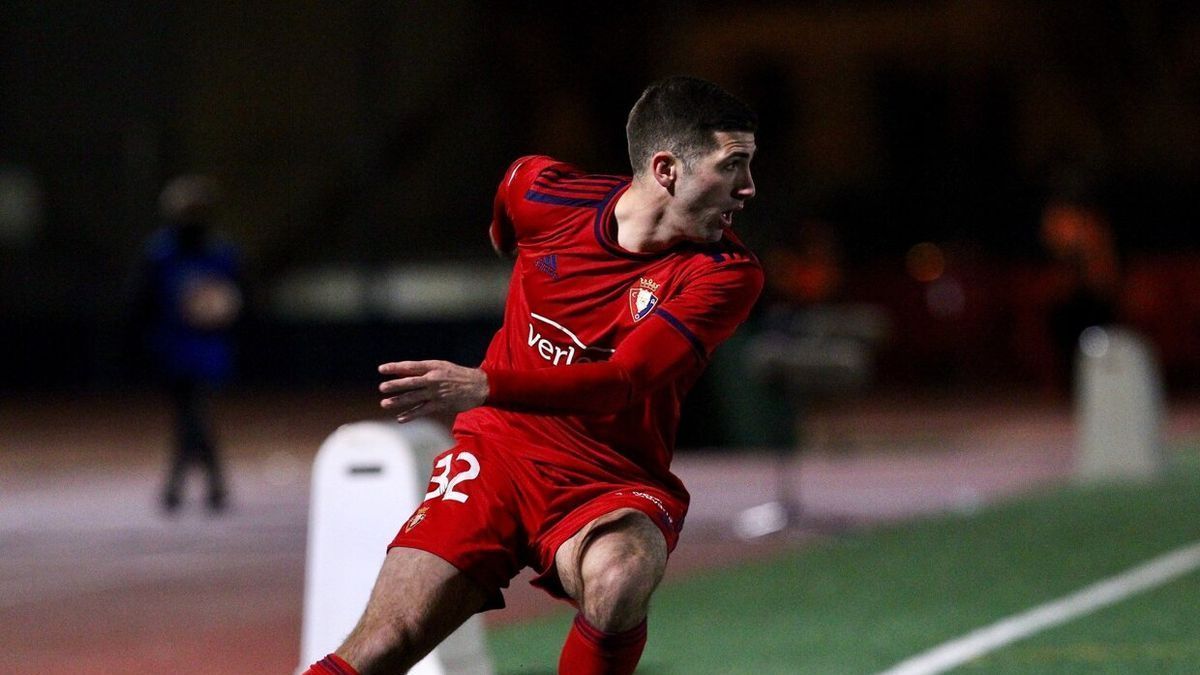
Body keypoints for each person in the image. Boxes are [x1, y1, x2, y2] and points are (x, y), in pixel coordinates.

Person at [305, 75, 762, 675]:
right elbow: (509, 206)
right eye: (733, 166)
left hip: (608, 478)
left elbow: (622, 382)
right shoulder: (545, 194)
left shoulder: (725, 274)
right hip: (497, 453)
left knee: (622, 570)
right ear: (667, 169)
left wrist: (488, 384)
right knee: (388, 640)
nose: (748, 188)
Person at [130, 174, 243, 513]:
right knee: (187, 413)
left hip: (208, 348)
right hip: (171, 346)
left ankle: (176, 484)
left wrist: (221, 312)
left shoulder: (223, 253)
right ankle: (215, 482)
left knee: (195, 411)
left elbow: (240, 299)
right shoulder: (159, 254)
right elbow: (140, 300)